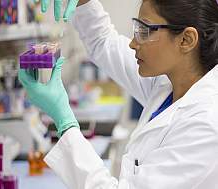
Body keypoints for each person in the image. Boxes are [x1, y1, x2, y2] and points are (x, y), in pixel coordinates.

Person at [18, 0, 218, 188]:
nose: (133, 43)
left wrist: (65, 122)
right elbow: (103, 41)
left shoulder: (206, 124)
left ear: (186, 40)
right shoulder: (168, 84)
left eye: (145, 30)